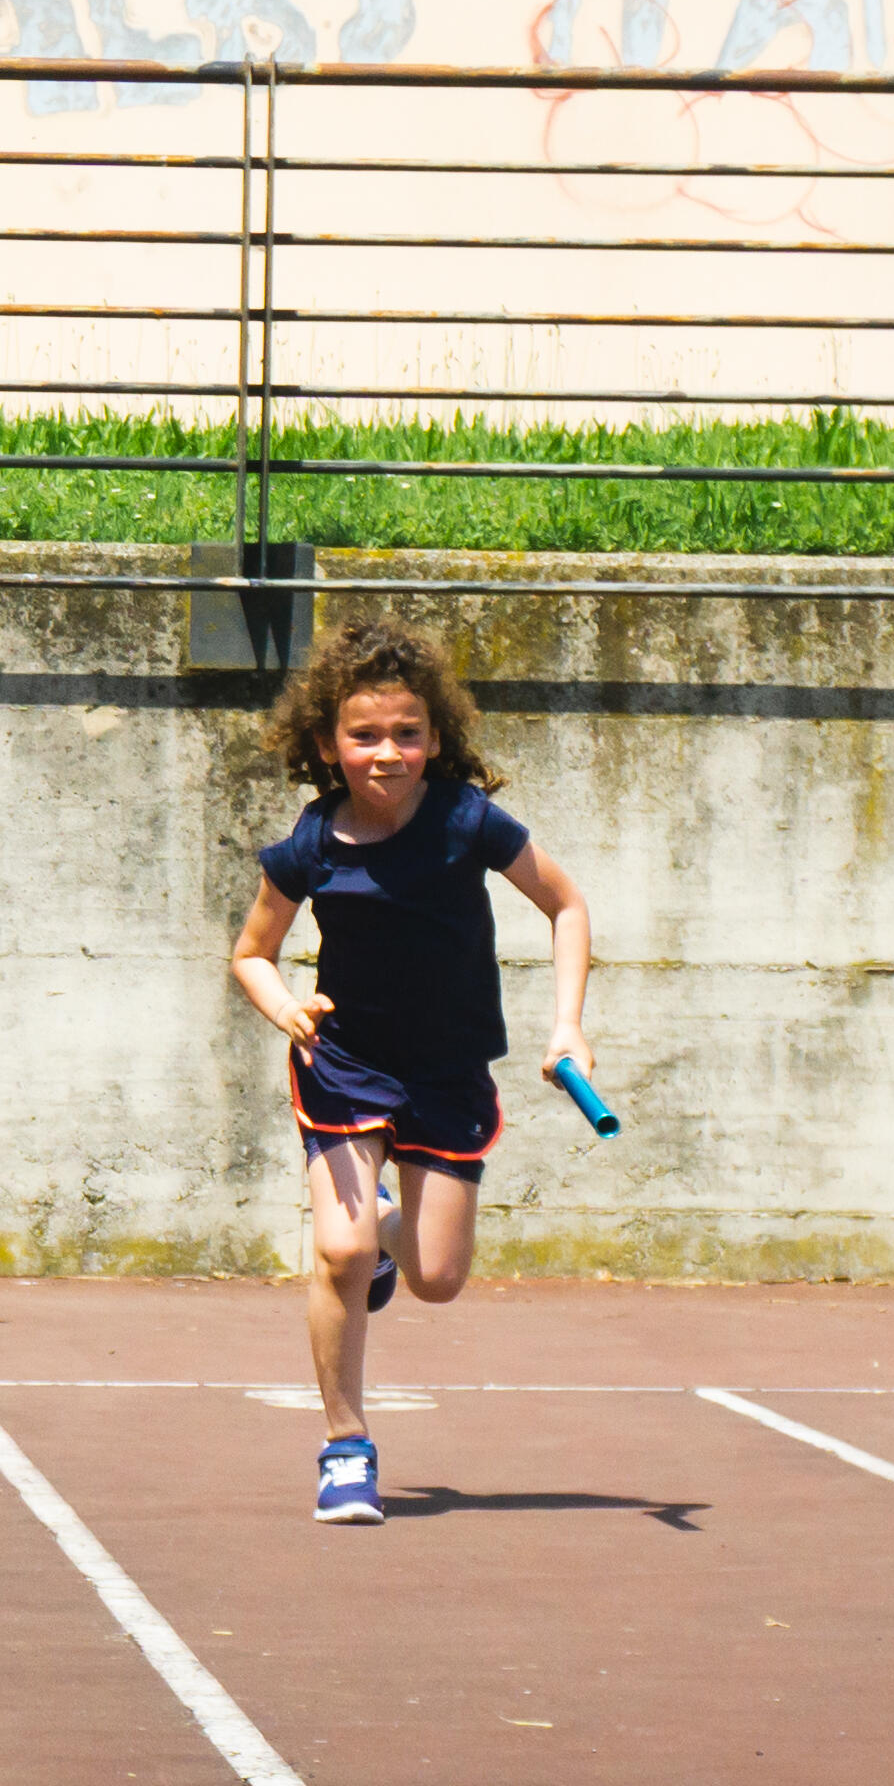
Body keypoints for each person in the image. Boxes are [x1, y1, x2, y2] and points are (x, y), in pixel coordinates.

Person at [227, 619, 594, 1525]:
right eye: (364, 736)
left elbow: (567, 903)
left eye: (407, 734)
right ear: (327, 744)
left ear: (435, 738)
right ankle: (345, 1447)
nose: (386, 754)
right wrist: (286, 1008)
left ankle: (391, 1228)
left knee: (434, 1277)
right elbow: (252, 954)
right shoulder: (310, 845)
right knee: (340, 1254)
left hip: (446, 1071)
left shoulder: (467, 822)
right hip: (343, 1063)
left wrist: (568, 1028)